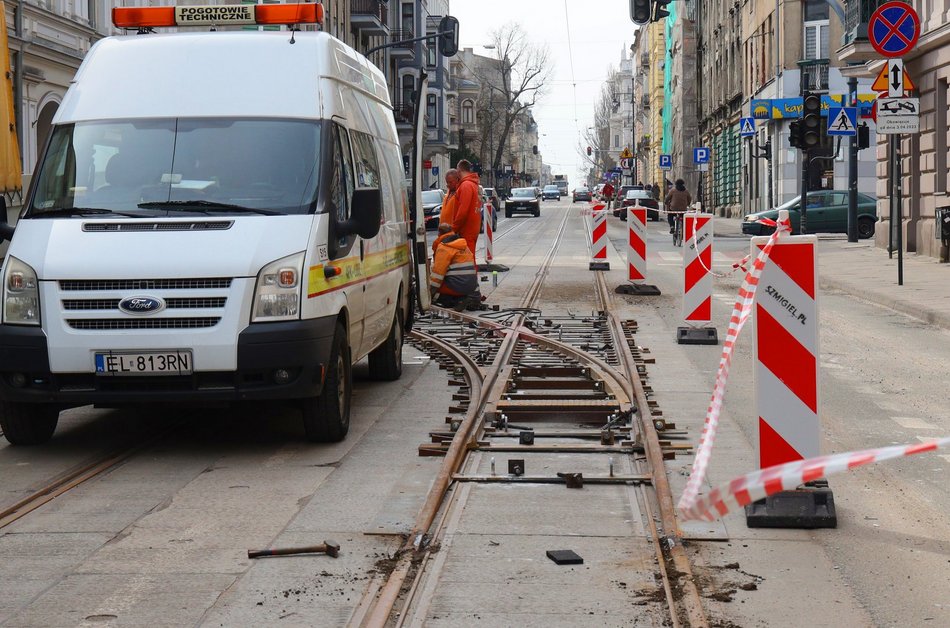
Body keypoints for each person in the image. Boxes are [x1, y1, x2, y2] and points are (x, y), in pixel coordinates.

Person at [429, 224, 479, 310]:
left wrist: (429, 294)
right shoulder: (463, 245)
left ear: (439, 233)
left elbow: (438, 274)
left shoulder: (444, 247)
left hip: (456, 286)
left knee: (438, 294)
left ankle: (453, 301)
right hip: (471, 287)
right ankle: (465, 299)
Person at [453, 160, 482, 260]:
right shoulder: (474, 185)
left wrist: (454, 228)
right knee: (470, 257)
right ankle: (472, 274)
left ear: (459, 170)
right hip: (473, 227)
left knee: (468, 259)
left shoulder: (466, 185)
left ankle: (472, 275)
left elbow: (463, 210)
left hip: (466, 229)